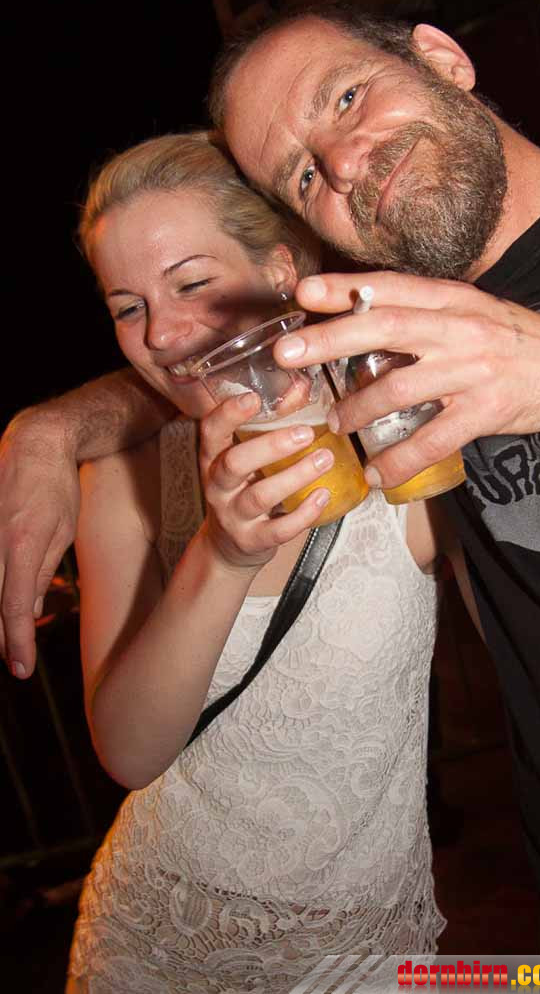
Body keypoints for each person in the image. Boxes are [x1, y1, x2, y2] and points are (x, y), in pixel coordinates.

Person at [1, 4, 540, 952]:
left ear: (443, 57)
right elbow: (210, 359)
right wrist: (48, 427)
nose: (339, 161)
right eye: (300, 174)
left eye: (344, 96)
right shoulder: (392, 361)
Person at [55, 130, 454, 991]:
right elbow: (128, 752)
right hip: (162, 942)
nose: (162, 334)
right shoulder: (120, 478)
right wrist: (222, 555)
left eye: (191, 283)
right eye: (126, 307)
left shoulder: (399, 424)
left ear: (279, 271)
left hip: (364, 953)